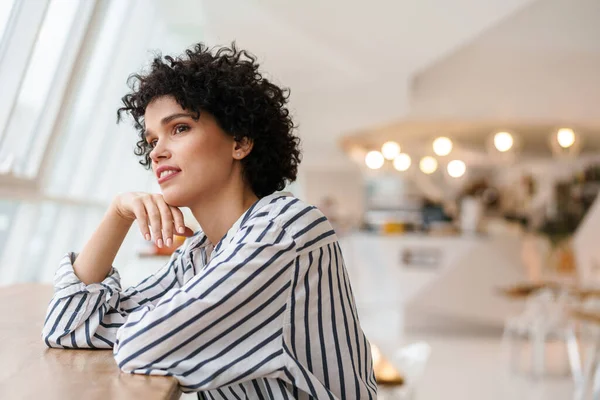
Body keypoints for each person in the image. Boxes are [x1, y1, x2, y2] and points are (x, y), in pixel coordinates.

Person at [42, 43, 377, 399]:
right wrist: (118, 214)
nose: (156, 152)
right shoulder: (200, 254)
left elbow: (144, 347)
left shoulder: (284, 229)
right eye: (151, 140)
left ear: (240, 141)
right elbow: (67, 327)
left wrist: (152, 320)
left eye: (180, 128)